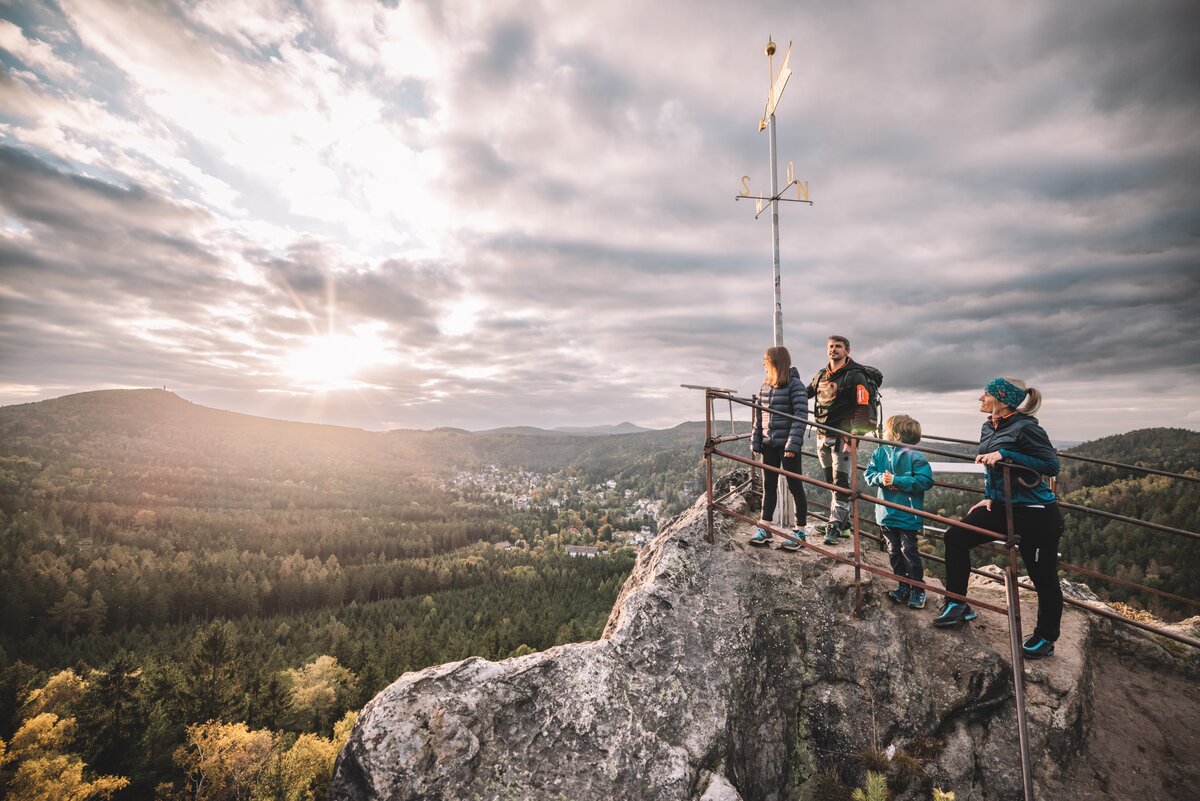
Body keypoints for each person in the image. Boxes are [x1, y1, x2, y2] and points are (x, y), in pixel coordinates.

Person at [932, 377, 1064, 660]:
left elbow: (1051, 465)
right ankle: (957, 603)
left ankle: (1046, 637)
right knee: (955, 537)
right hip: (1002, 506)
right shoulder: (987, 426)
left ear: (1002, 400)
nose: (980, 398)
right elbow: (988, 466)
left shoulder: (1026, 428)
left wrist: (1006, 454)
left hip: (1036, 513)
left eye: (986, 394)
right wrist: (989, 495)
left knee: (1043, 578)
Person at [807, 336, 883, 545]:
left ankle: (834, 526)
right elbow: (806, 393)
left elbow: (862, 406)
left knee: (841, 483)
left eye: (838, 347)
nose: (833, 350)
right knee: (831, 482)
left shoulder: (855, 375)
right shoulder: (821, 375)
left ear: (847, 351)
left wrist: (854, 438)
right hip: (822, 436)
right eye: (830, 346)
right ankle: (845, 525)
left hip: (844, 437)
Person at [865, 415, 934, 609]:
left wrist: (897, 480)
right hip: (886, 514)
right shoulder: (880, 453)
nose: (883, 432)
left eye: (886, 429)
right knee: (894, 551)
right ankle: (903, 585)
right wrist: (881, 478)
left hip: (908, 515)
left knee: (908, 550)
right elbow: (869, 475)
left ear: (896, 436)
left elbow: (926, 481)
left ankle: (918, 589)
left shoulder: (915, 457)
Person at [750, 346, 809, 551]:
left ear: (775, 361)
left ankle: (800, 532)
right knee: (769, 486)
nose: (763, 363)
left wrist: (792, 444)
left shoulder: (796, 385)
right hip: (769, 444)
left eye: (765, 360)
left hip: (787, 446)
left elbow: (801, 416)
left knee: (795, 487)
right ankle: (765, 528)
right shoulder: (765, 386)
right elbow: (759, 416)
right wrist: (756, 441)